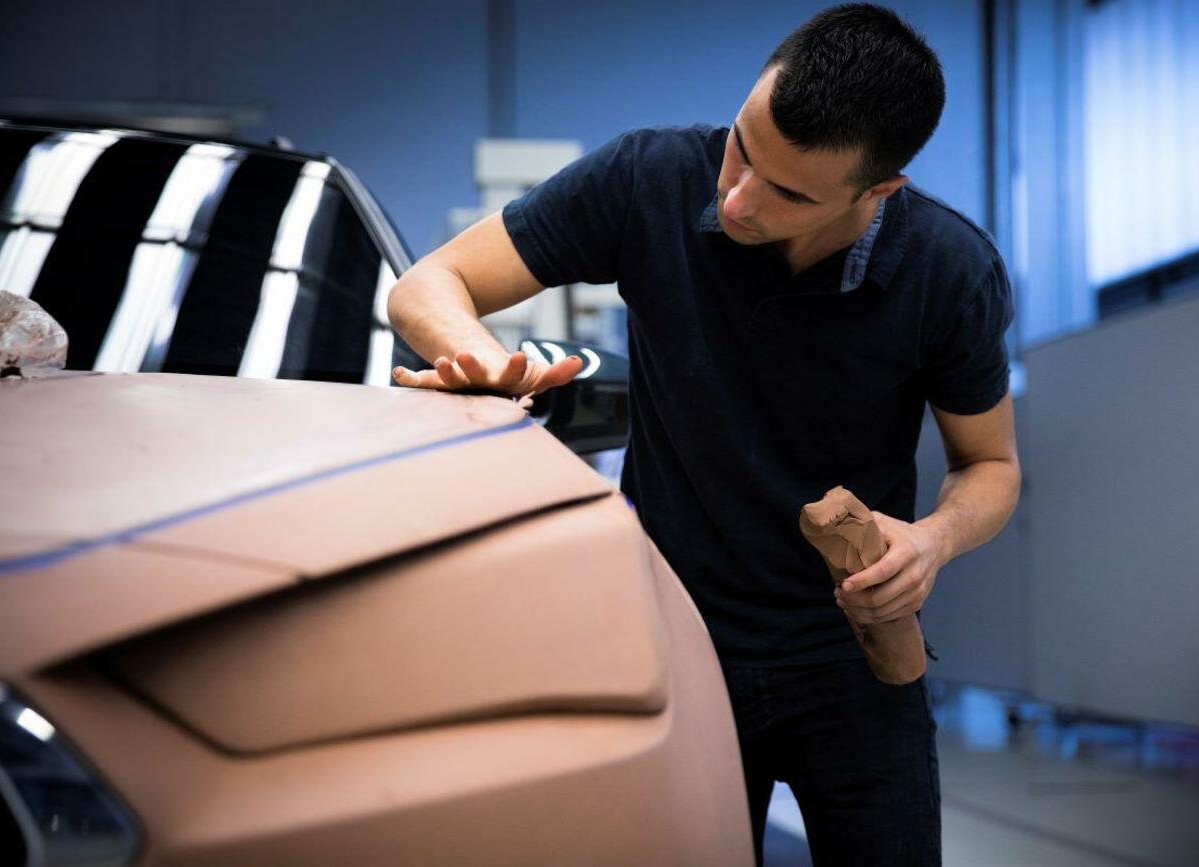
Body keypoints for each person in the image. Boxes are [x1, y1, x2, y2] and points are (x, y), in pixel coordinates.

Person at [386, 4, 1021, 864]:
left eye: (789, 192)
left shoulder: (949, 271)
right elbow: (430, 283)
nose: (737, 196)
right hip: (673, 643)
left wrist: (932, 542)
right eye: (743, 146)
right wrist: (482, 360)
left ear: (878, 193)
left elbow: (990, 465)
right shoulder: (648, 177)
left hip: (853, 661)